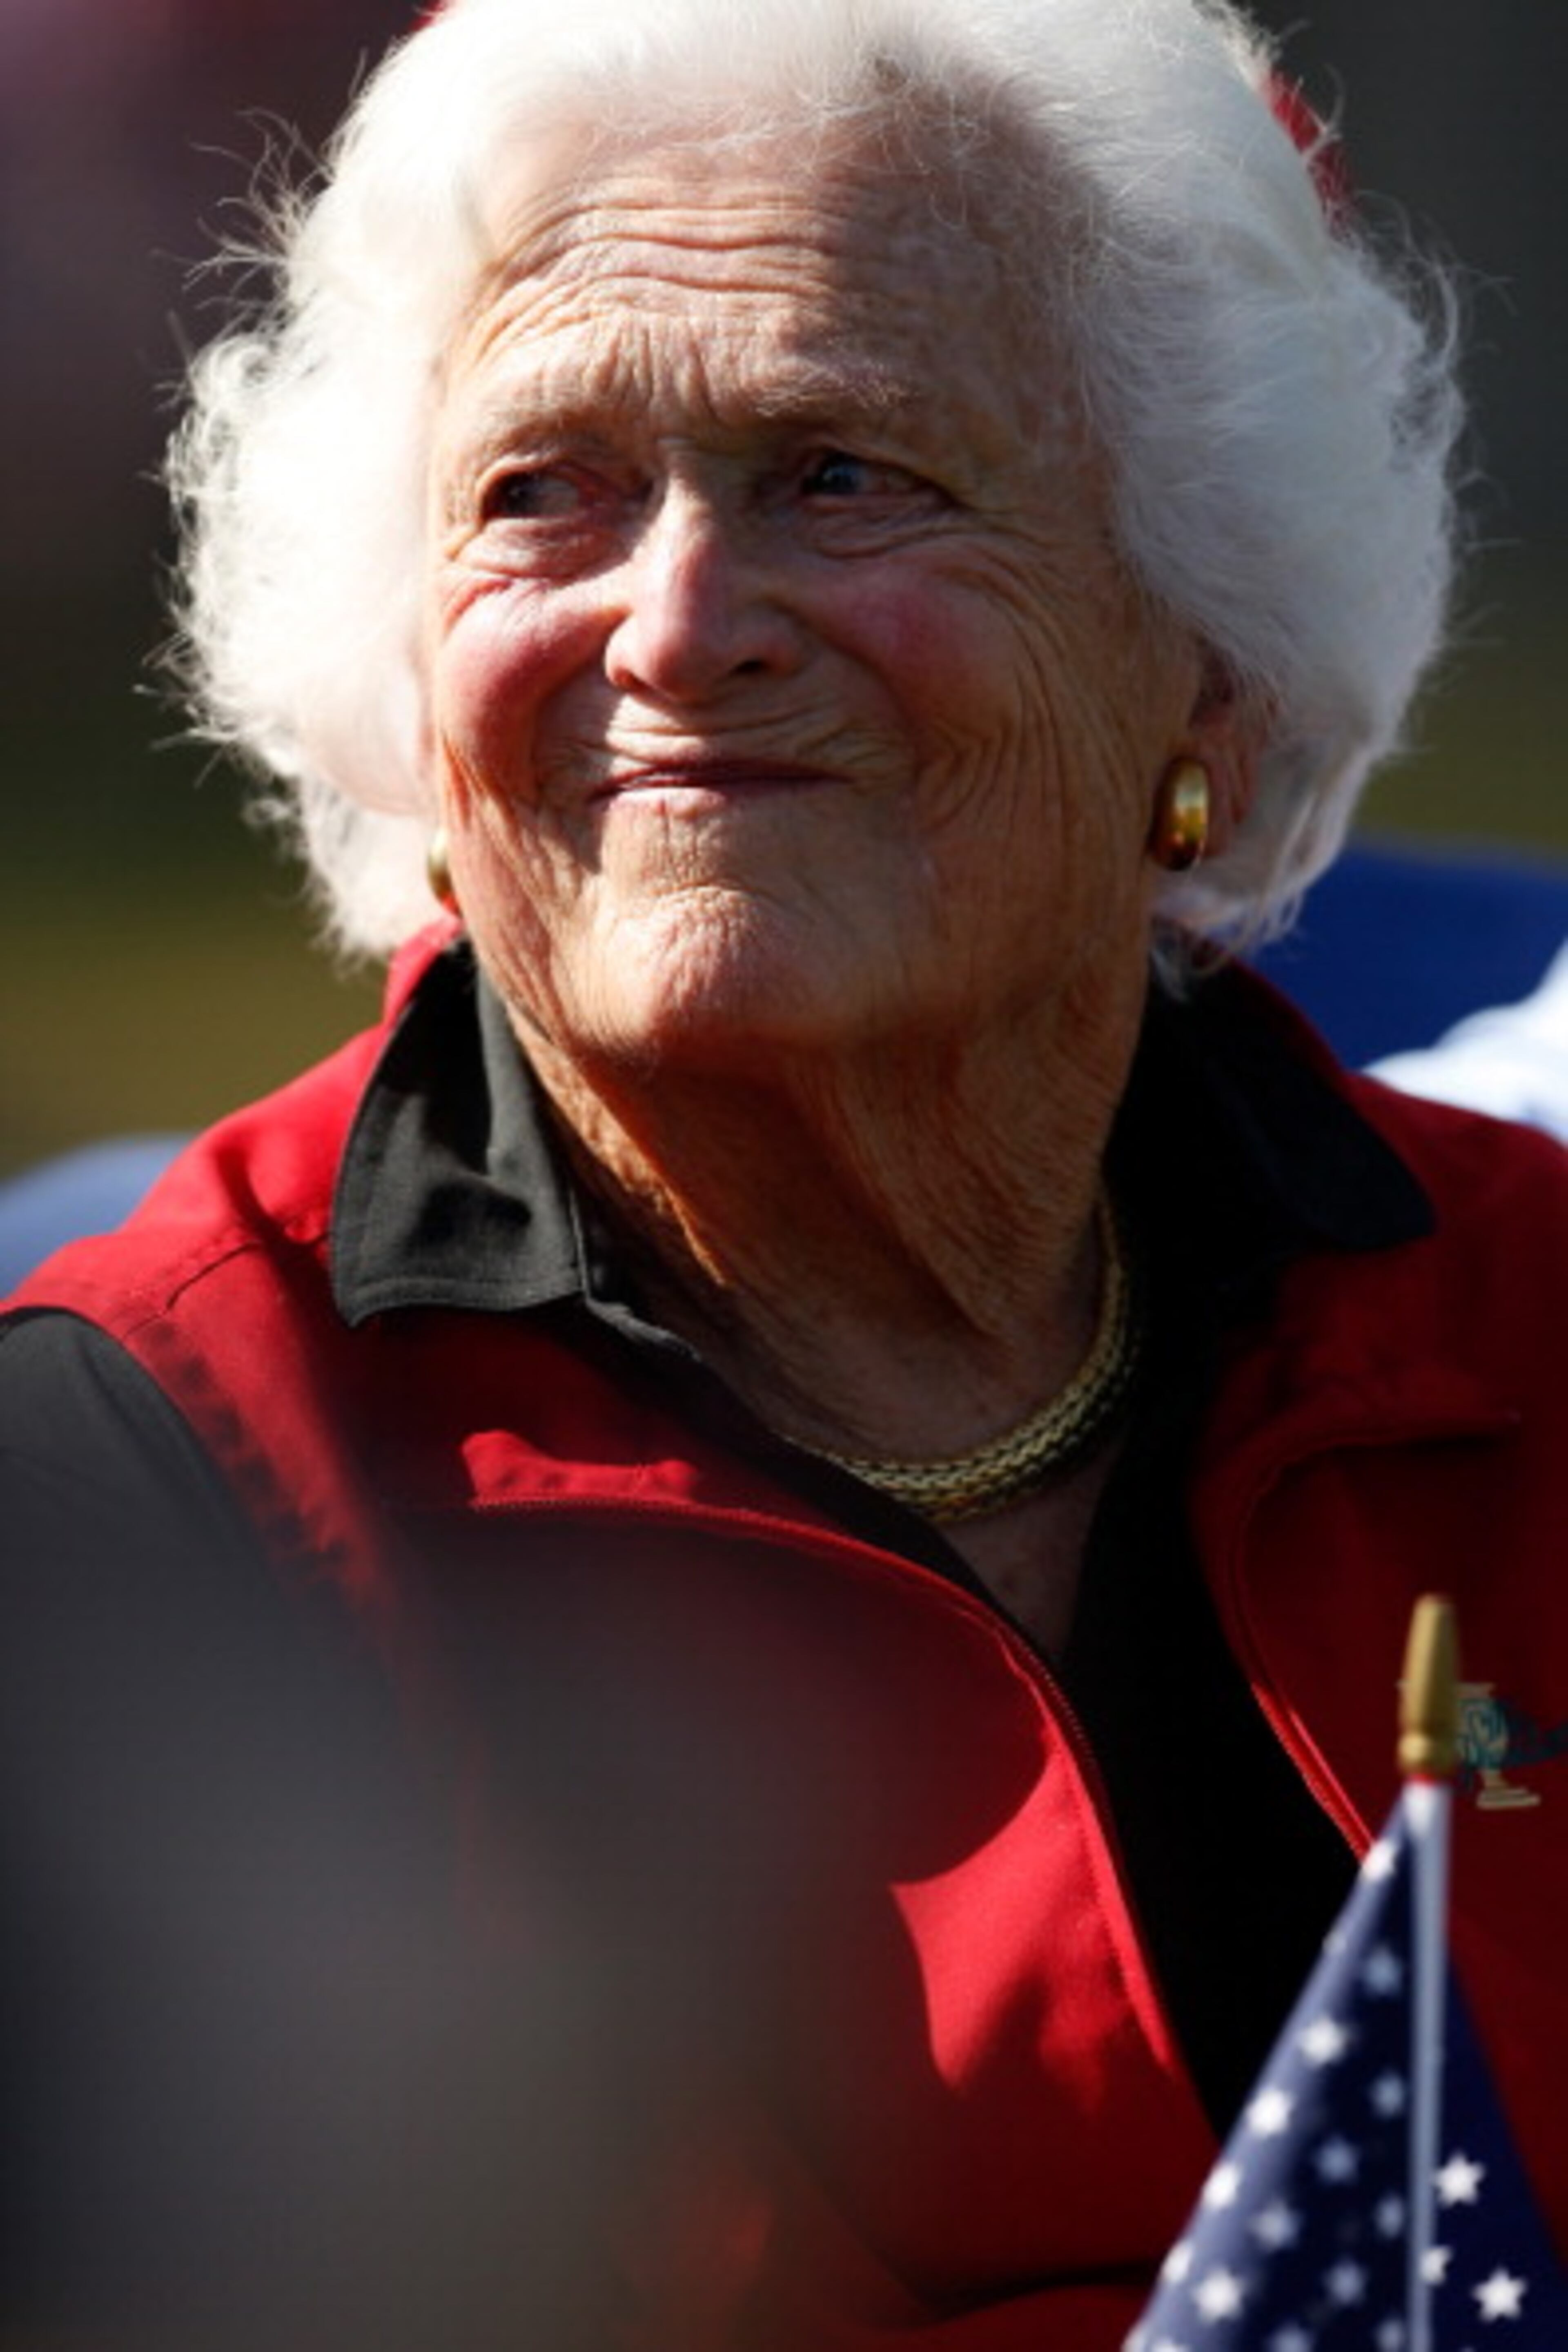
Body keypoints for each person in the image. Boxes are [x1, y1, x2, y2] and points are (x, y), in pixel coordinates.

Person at [4, 0, 1566, 2343]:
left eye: (844, 471)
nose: (676, 622)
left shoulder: (1527, 1324)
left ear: (1207, 678)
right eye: (541, 490)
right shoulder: (135, 1500)